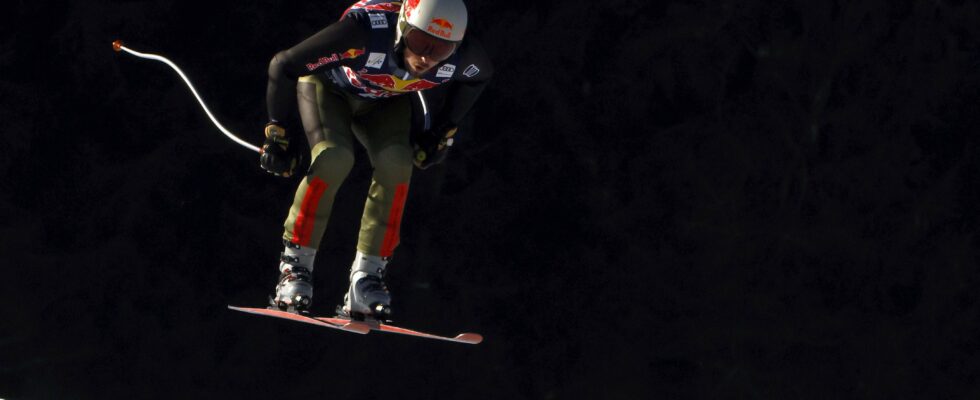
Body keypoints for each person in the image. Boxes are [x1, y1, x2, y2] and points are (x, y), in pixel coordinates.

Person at [259, 0, 493, 319]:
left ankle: (367, 276)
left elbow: (479, 77)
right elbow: (284, 64)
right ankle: (294, 267)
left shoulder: (464, 57)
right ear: (402, 28)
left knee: (398, 162)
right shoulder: (364, 33)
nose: (426, 58)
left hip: (384, 103)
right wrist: (279, 134)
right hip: (331, 91)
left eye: (440, 51)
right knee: (334, 157)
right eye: (420, 42)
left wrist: (441, 131)